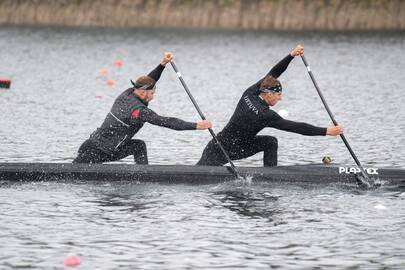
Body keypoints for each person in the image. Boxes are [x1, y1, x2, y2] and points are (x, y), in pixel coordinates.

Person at [197, 45, 343, 167]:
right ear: (268, 93)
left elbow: (274, 73)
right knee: (199, 172)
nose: (281, 98)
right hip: (219, 151)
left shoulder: (250, 93)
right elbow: (297, 127)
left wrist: (291, 55)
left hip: (223, 146)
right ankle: (270, 175)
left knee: (270, 142)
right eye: (278, 95)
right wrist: (327, 131)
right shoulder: (265, 115)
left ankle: (269, 174)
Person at [74, 52, 212, 164]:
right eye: (152, 93)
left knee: (138, 146)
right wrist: (196, 126)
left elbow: (149, 80)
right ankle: (143, 175)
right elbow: (165, 121)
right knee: (138, 147)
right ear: (143, 92)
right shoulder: (139, 111)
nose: (153, 97)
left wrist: (162, 64)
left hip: (89, 145)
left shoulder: (128, 93)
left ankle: (142, 174)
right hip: (100, 152)